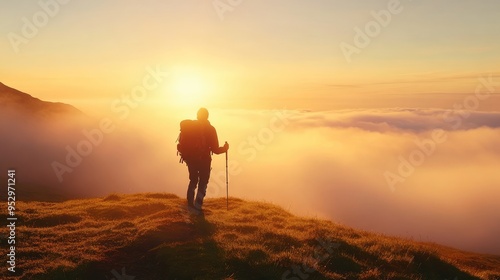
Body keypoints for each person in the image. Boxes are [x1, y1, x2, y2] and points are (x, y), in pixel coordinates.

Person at [186, 108, 229, 212]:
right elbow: (215, 150)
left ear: (197, 115)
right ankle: (197, 206)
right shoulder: (210, 129)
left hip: (191, 160)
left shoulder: (190, 127)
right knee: (203, 183)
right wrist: (225, 148)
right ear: (207, 116)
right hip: (204, 160)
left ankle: (189, 204)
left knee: (193, 180)